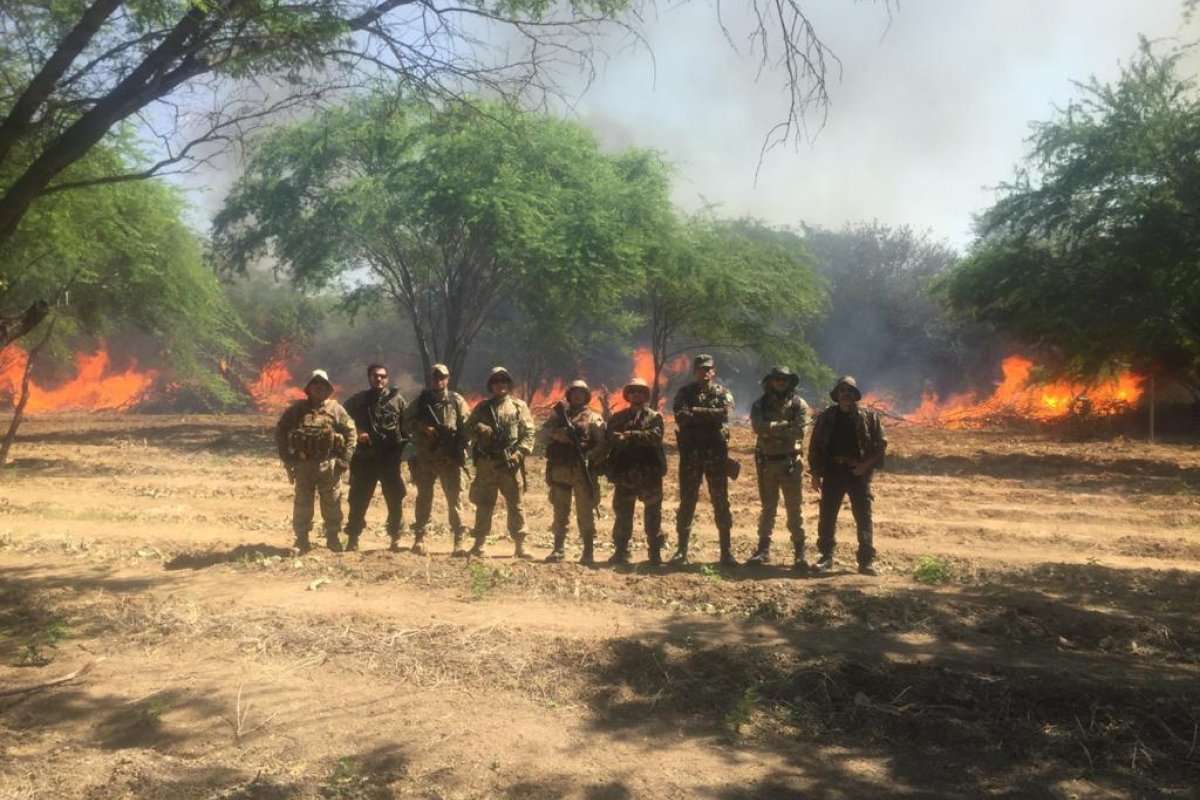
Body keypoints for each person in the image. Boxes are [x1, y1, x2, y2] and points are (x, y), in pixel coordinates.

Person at [807, 375, 887, 576]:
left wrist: (865, 466)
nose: (846, 394)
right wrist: (815, 474)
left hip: (858, 473)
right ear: (837, 394)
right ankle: (826, 557)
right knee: (827, 515)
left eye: (850, 391)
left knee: (863, 516)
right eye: (842, 391)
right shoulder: (827, 417)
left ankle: (866, 561)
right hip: (833, 472)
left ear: (855, 395)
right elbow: (815, 445)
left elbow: (881, 445)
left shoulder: (869, 417)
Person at [275, 369, 356, 554]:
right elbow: (281, 430)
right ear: (309, 388)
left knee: (332, 502)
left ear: (328, 389)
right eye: (315, 384)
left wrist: (346, 458)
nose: (319, 388)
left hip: (330, 465)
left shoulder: (336, 409)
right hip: (304, 464)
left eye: (323, 385)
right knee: (303, 502)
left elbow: (351, 433)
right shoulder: (297, 410)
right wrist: (286, 456)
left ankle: (333, 539)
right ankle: (301, 540)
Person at [671, 354, 738, 566]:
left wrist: (696, 412)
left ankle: (726, 552)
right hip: (691, 455)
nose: (705, 372)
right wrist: (710, 414)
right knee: (687, 502)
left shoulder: (723, 392)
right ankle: (681, 550)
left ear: (713, 371)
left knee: (720, 501)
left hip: (716, 456)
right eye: (700, 368)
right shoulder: (685, 392)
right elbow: (680, 416)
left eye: (708, 368)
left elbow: (725, 414)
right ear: (695, 371)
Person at [465, 366, 535, 558]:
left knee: (516, 504)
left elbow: (529, 432)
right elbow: (466, 430)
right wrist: (479, 427)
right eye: (496, 382)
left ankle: (520, 546)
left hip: (510, 464)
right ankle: (479, 544)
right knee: (484, 503)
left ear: (509, 385)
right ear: (491, 386)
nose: (500, 385)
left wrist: (519, 453)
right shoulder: (482, 408)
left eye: (503, 381)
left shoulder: (519, 406)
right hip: (487, 463)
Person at [403, 363, 472, 555]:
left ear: (447, 379)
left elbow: (468, 426)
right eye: (434, 377)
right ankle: (420, 538)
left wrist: (459, 442)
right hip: (426, 458)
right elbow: (405, 422)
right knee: (424, 498)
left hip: (450, 459)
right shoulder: (421, 401)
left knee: (455, 501)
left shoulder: (456, 401)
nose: (438, 381)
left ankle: (459, 542)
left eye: (441, 377)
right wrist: (422, 427)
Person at [749, 366, 810, 570]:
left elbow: (799, 433)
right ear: (770, 381)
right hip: (766, 462)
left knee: (795, 510)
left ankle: (800, 553)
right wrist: (783, 426)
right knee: (768, 508)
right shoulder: (760, 404)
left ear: (790, 382)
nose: (781, 382)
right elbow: (758, 427)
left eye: (784, 379)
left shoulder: (798, 405)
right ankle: (763, 550)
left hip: (790, 463)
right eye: (777, 379)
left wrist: (771, 428)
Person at [341, 364, 408, 552]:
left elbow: (408, 425)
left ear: (387, 378)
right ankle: (353, 538)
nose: (379, 379)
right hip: (365, 459)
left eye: (382, 376)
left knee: (395, 500)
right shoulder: (357, 401)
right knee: (358, 499)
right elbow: (342, 421)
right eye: (375, 376)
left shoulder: (397, 401)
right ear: (369, 378)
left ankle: (396, 538)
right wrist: (358, 432)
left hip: (389, 460)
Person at [538, 380, 605, 563]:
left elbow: (603, 445)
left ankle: (588, 552)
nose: (577, 396)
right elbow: (541, 436)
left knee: (585, 512)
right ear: (569, 396)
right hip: (560, 470)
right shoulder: (558, 417)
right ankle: (558, 549)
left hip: (582, 472)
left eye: (581, 393)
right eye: (574, 393)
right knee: (560, 511)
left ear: (586, 396)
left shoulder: (594, 418)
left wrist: (588, 456)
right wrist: (557, 434)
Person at [604, 377, 667, 565]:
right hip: (626, 473)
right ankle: (621, 551)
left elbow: (655, 436)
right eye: (633, 391)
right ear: (628, 394)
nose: (637, 394)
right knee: (623, 513)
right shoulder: (618, 417)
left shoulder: (655, 417)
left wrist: (630, 435)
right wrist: (618, 438)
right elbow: (610, 437)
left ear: (645, 395)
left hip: (649, 473)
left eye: (640, 392)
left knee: (653, 514)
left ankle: (654, 553)